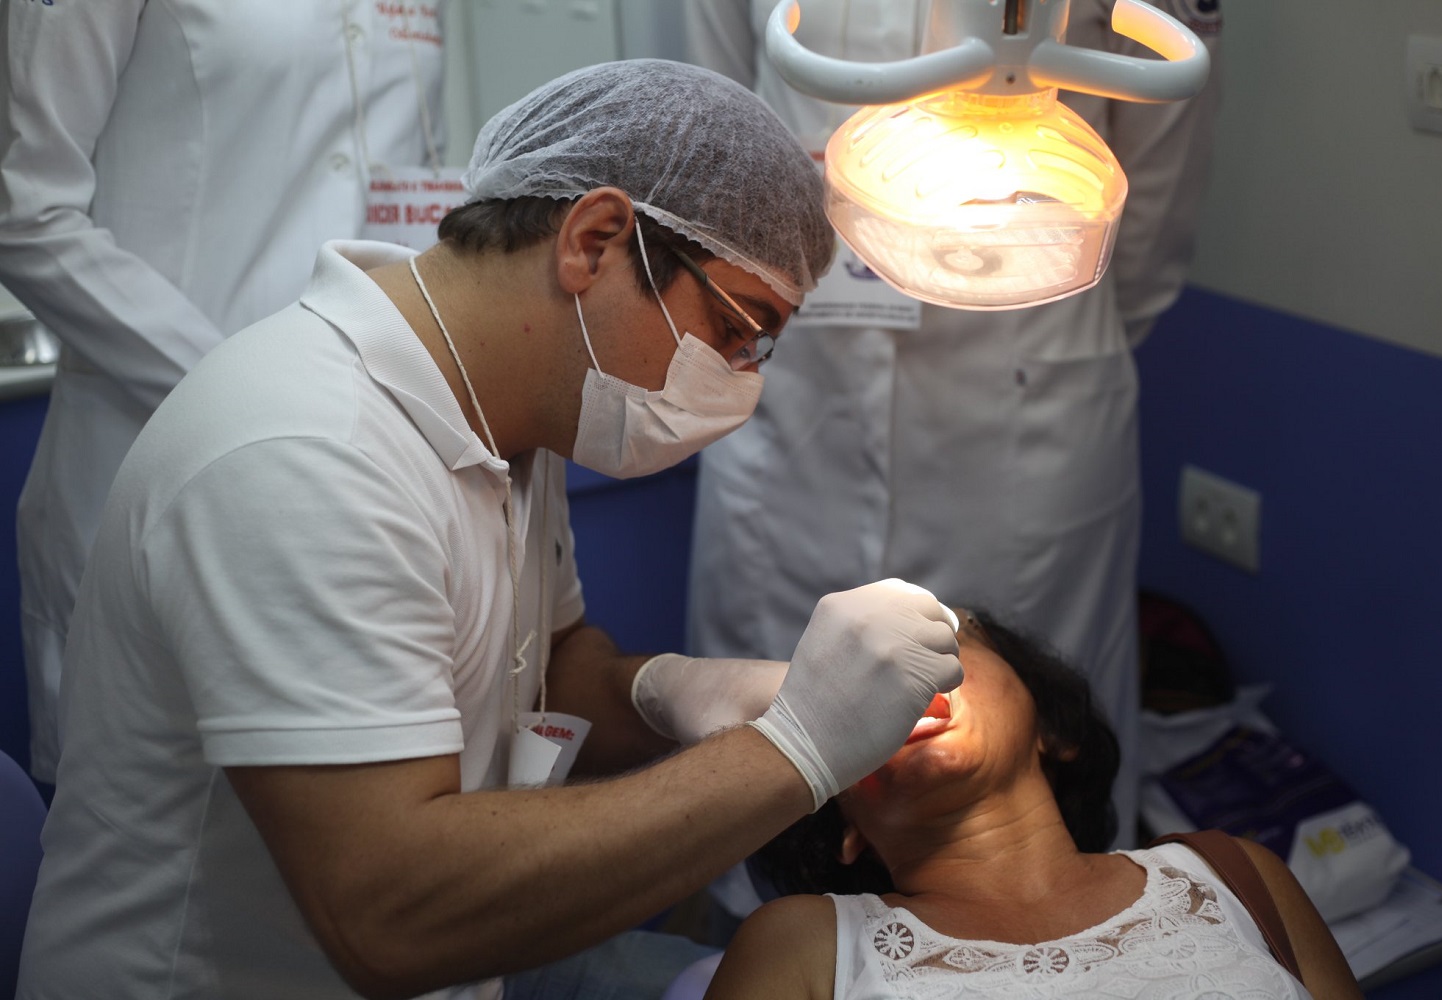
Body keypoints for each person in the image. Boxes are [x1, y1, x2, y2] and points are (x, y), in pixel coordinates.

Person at [15, 60, 967, 1000]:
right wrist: (795, 752)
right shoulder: (307, 454)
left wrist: (674, 692)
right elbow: (390, 914)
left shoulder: (513, 411)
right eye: (733, 329)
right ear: (593, 240)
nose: (740, 381)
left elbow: (541, 669)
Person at [684, 0, 1226, 850]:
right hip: (800, 381)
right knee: (775, 779)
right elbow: (709, 113)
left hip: (1027, 377)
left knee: (1032, 756)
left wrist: (1051, 318)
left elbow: (1158, 183)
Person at [0, 0, 449, 786]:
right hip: (156, 444)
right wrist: (259, 389)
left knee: (365, 804)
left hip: (373, 447)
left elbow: (406, 185)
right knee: (155, 837)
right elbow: (24, 210)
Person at [701, 610, 1363, 1000]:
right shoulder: (801, 946)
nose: (903, 680)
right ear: (843, 820)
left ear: (1053, 729)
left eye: (942, 639)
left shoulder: (1234, 878)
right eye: (858, 689)